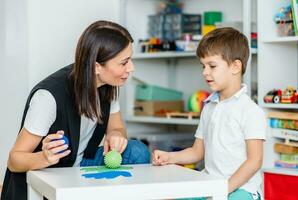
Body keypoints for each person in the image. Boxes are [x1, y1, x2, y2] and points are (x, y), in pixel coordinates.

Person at [1, 20, 150, 200]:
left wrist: (116, 135)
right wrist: (45, 157)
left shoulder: (109, 85)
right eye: (124, 62)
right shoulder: (48, 97)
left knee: (137, 151)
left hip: (80, 164)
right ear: (96, 66)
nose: (131, 68)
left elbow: (117, 128)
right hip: (49, 172)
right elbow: (14, 160)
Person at [152, 27, 266, 200]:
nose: (205, 72)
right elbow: (197, 152)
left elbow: (254, 161)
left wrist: (224, 189)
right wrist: (170, 157)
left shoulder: (250, 111)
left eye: (212, 66)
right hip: (210, 184)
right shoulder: (210, 106)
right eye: (203, 66)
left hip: (242, 189)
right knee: (167, 197)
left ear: (235, 66)